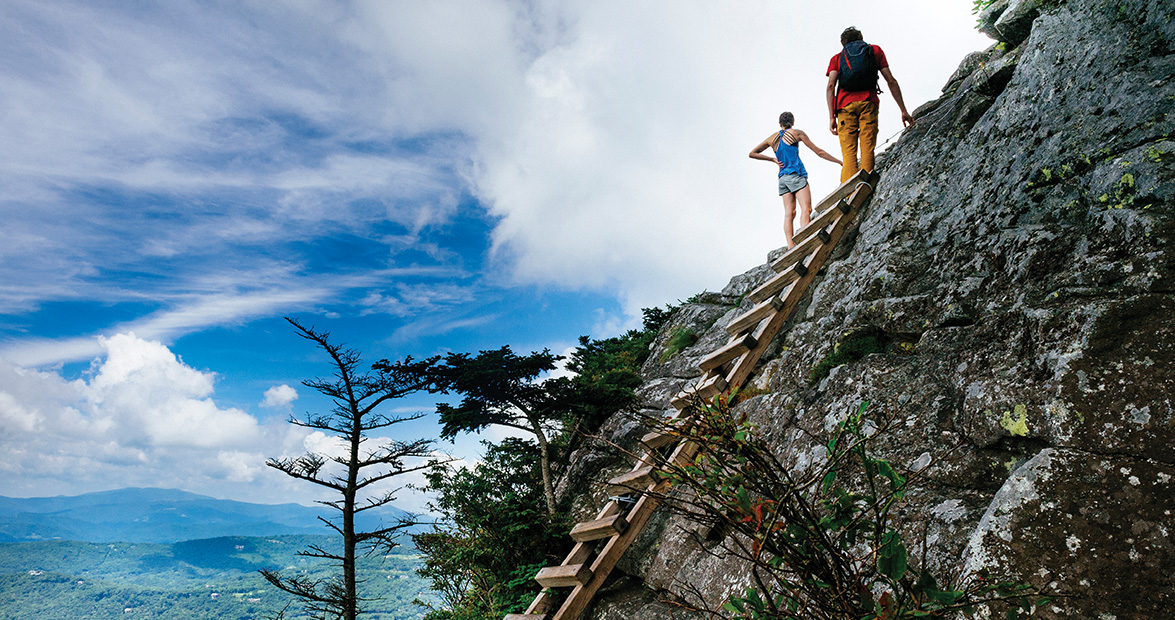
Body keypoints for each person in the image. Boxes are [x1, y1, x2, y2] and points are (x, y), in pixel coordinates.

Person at [826, 26, 915, 182]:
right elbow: (891, 81)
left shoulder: (837, 59)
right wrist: (903, 110)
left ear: (843, 44)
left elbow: (831, 87)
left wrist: (831, 117)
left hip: (844, 107)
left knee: (849, 154)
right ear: (861, 38)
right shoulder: (874, 51)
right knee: (867, 148)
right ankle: (865, 186)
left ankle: (849, 194)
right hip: (869, 103)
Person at [749, 112, 842, 249]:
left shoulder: (772, 138)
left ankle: (790, 246)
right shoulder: (797, 133)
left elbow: (752, 153)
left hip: (783, 178)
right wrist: (839, 161)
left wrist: (772, 159)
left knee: (789, 213)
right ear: (792, 122)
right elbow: (819, 152)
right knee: (806, 208)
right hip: (796, 174)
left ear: (780, 123)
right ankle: (805, 239)